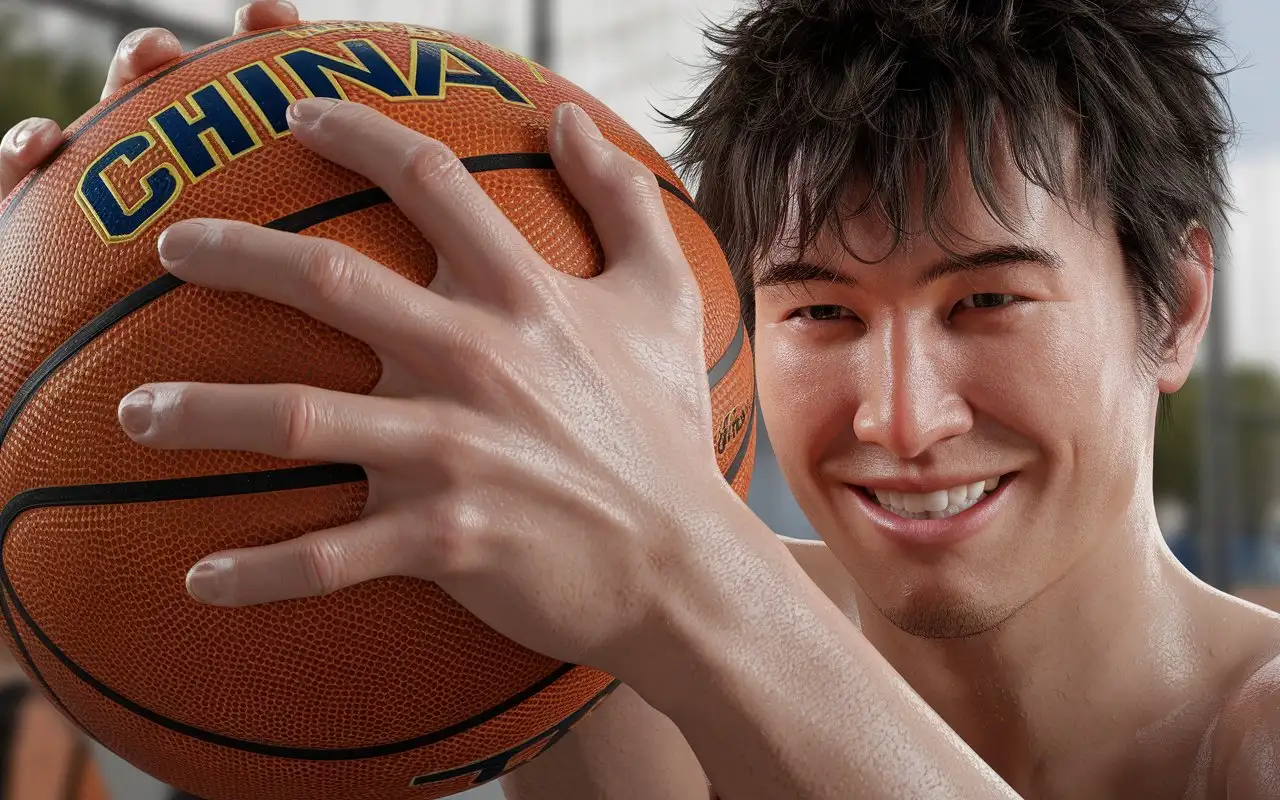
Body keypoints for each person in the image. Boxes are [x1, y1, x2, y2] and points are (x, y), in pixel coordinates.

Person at [3, 1, 1280, 798]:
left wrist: (669, 556)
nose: (900, 418)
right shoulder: (580, 634)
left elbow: (665, 560)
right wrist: (92, 297)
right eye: (820, 311)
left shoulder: (1260, 733)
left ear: (1167, 308)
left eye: (986, 302)